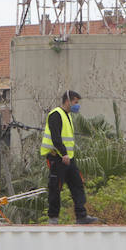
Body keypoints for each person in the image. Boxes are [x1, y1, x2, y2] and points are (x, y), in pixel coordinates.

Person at [40, 90, 98, 225]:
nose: (77, 106)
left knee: (77, 185)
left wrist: (68, 155)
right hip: (57, 157)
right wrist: (63, 153)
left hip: (68, 158)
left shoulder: (68, 116)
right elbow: (56, 137)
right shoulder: (56, 115)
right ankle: (53, 218)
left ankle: (81, 216)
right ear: (68, 101)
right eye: (75, 102)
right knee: (55, 187)